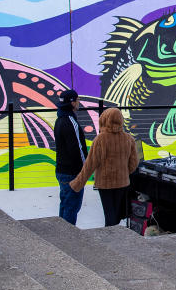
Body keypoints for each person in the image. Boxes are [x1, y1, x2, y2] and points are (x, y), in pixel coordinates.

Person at [69, 107, 139, 227]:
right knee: (116, 213)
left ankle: (109, 239)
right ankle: (115, 235)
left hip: (105, 183)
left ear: (104, 119)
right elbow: (134, 162)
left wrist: (77, 183)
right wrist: (124, 173)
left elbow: (90, 164)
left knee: (109, 213)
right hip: (122, 182)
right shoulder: (129, 138)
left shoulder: (100, 139)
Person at [54, 90, 88, 225]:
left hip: (62, 170)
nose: (79, 102)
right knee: (72, 207)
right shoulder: (70, 122)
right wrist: (86, 168)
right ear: (73, 102)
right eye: (77, 100)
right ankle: (68, 238)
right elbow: (77, 149)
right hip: (72, 173)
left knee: (65, 205)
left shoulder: (59, 120)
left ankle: (61, 235)